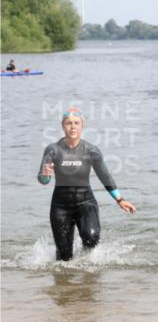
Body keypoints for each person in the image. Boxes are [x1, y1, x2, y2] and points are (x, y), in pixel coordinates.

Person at [37, 109, 137, 261]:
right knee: (64, 256)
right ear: (63, 126)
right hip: (60, 206)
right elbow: (43, 180)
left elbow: (105, 176)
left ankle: (86, 270)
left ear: (82, 125)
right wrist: (45, 174)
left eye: (76, 123)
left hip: (86, 202)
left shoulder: (91, 151)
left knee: (92, 238)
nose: (73, 127)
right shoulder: (53, 150)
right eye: (69, 123)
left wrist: (120, 199)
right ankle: (65, 281)